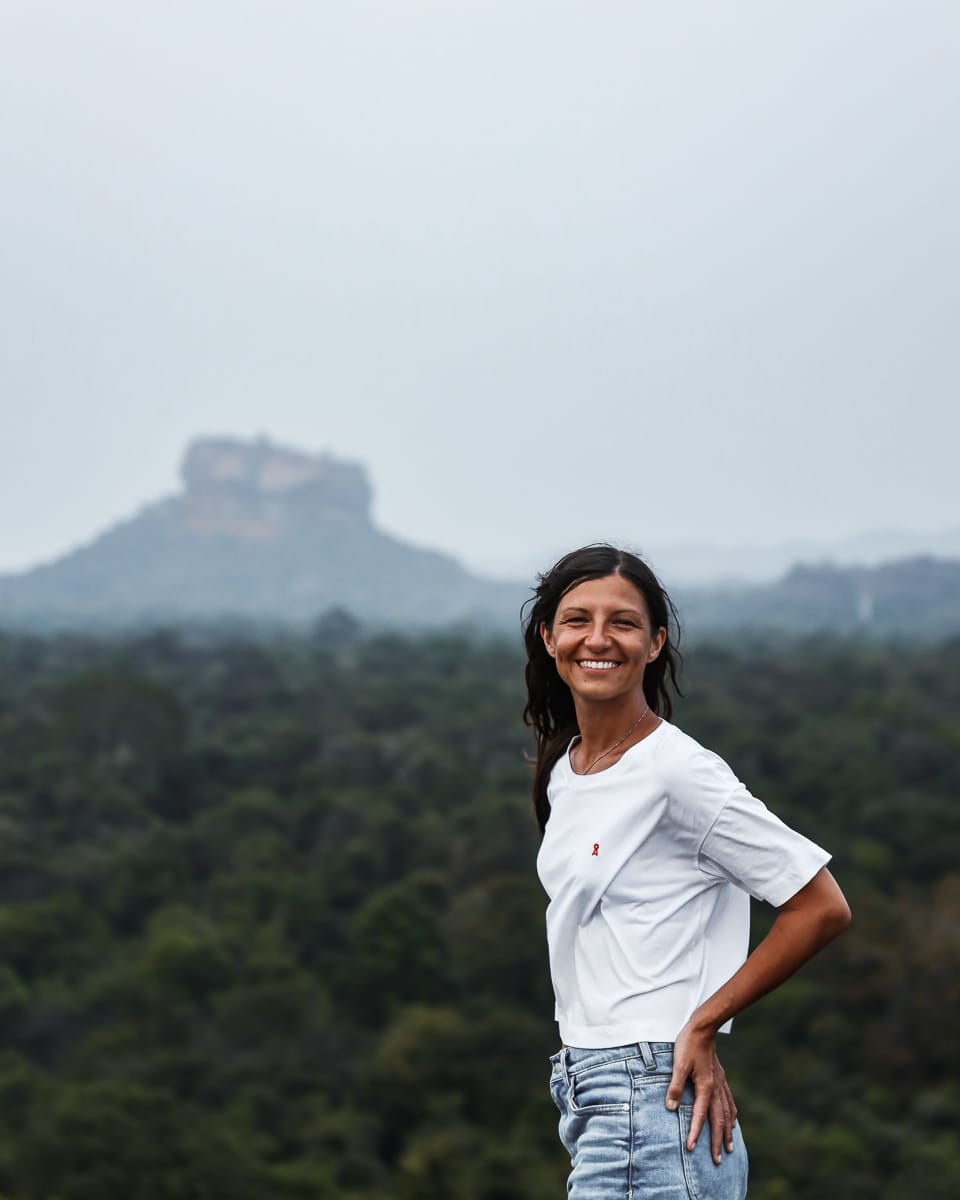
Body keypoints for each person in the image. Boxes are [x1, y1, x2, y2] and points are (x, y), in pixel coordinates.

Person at [523, 544, 851, 1199]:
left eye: (622, 622)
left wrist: (701, 1025)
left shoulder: (678, 772)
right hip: (591, 1091)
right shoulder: (566, 769)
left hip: (648, 1094)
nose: (597, 638)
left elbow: (819, 905)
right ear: (548, 636)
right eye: (577, 619)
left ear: (655, 642)